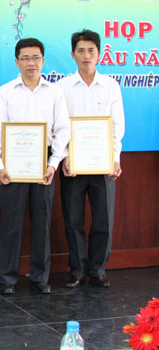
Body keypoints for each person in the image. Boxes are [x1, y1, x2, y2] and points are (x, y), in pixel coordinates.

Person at [0, 38, 70, 295]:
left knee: (42, 224)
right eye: (25, 58)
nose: (31, 63)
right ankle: (7, 279)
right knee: (11, 224)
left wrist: (53, 164)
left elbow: (62, 130)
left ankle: (40, 278)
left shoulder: (55, 92)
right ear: (17, 62)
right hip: (12, 164)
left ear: (43, 61)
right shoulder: (5, 92)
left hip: (43, 164)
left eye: (35, 58)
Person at [57, 29, 125, 288]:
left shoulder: (110, 86)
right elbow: (59, 126)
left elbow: (117, 125)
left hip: (103, 163)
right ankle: (77, 269)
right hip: (73, 165)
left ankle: (97, 269)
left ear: (99, 54)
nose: (86, 55)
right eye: (81, 50)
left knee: (103, 218)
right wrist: (65, 157)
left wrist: (115, 158)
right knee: (72, 219)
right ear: (73, 54)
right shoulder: (62, 87)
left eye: (91, 50)